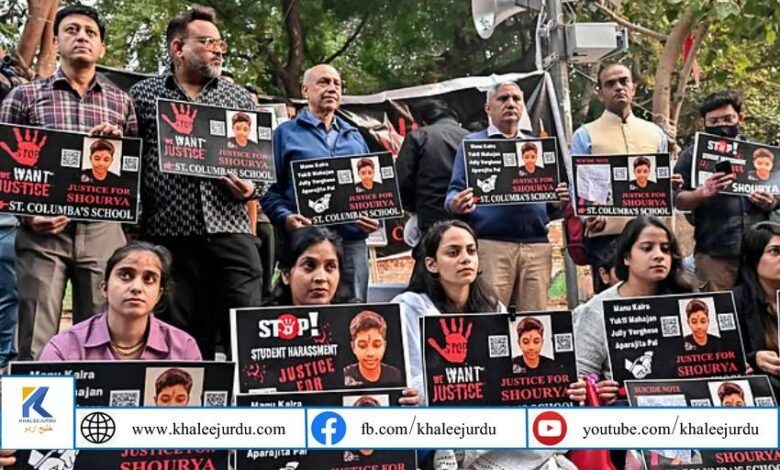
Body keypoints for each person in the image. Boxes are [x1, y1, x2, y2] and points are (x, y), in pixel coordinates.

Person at [0, 4, 135, 360]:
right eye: (72, 30)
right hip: (42, 233)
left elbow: (134, 170)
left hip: (103, 228)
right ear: (57, 41)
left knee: (102, 336)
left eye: (91, 32)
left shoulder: (122, 102)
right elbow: (3, 169)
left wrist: (115, 145)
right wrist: (27, 216)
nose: (82, 37)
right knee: (35, 339)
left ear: (102, 48)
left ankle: (96, 397)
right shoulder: (23, 96)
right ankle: (36, 398)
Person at [129, 6, 263, 360]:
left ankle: (249, 396)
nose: (218, 51)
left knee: (247, 334)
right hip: (169, 236)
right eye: (207, 43)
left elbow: (262, 170)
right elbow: (130, 164)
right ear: (178, 48)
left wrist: (250, 189)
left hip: (232, 233)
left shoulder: (237, 99)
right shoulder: (142, 95)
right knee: (180, 340)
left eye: (220, 44)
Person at [393, 219, 572, 469]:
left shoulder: (492, 307)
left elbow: (509, 374)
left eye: (471, 251)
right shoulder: (408, 307)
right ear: (431, 264)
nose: (465, 259)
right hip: (438, 416)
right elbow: (411, 382)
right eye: (453, 252)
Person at [445, 81, 569, 311]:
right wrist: (455, 203)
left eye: (516, 99)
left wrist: (556, 202)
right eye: (503, 99)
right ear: (488, 108)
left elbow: (550, 205)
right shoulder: (473, 144)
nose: (510, 104)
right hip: (491, 245)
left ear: (522, 106)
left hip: (537, 246)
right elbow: (453, 192)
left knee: (535, 320)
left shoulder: (536, 146)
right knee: (491, 317)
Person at [261, 64, 379, 302]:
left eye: (337, 84)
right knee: (304, 312)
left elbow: (373, 190)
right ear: (305, 90)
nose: (332, 88)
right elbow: (267, 189)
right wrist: (285, 217)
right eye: (324, 82)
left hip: (352, 242)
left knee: (354, 311)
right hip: (305, 243)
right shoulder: (285, 134)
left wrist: (375, 216)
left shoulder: (355, 136)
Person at [268, 226, 419, 407]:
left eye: (330, 267)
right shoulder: (260, 329)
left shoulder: (354, 322)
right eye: (309, 266)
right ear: (286, 275)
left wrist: (408, 400)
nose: (321, 277)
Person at [572, 63, 674, 294]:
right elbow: (578, 186)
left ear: (633, 88)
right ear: (600, 93)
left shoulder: (655, 134)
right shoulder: (585, 135)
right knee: (610, 304)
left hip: (650, 236)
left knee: (654, 300)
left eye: (624, 81)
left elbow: (661, 182)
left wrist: (670, 185)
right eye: (610, 84)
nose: (618, 87)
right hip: (606, 236)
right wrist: (588, 217)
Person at [569, 215, 694, 405]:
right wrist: (596, 388)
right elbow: (582, 375)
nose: (659, 255)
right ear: (626, 257)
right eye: (647, 248)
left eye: (665, 249)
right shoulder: (597, 309)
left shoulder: (688, 303)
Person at [675, 90, 776, 291]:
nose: (722, 125)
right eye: (714, 121)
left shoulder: (760, 153)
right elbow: (678, 199)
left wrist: (773, 201)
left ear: (740, 118)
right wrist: (701, 193)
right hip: (714, 253)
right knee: (719, 307)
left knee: (760, 305)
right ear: (704, 123)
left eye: (728, 119)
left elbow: (778, 190)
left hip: (759, 252)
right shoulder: (692, 156)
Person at [39, 241, 201, 360]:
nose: (136, 287)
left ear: (159, 295)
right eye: (125, 275)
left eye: (149, 279)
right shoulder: (64, 348)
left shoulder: (183, 349)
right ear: (104, 288)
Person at [396, 99, 469, 233]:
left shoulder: (418, 136)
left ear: (423, 121)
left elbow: (402, 180)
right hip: (467, 217)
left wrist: (413, 207)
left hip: (431, 217)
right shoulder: (471, 137)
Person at [733, 221, 780, 395]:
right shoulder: (733, 302)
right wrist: (753, 358)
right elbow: (720, 358)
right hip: (761, 391)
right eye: (775, 251)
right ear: (753, 258)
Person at [343, 310, 403, 386]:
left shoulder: (395, 375)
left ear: (384, 346)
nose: (370, 353)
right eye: (362, 346)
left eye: (377, 345)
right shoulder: (345, 376)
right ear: (353, 347)